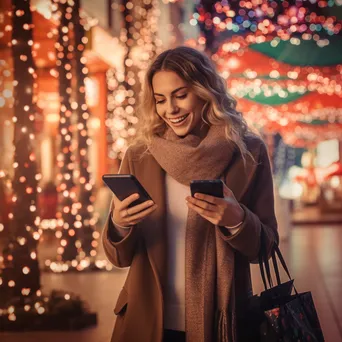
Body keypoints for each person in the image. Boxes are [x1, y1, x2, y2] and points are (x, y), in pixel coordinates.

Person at [102, 46, 278, 342]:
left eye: (180, 95)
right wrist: (120, 224)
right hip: (148, 322)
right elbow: (119, 258)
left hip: (225, 322)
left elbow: (265, 248)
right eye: (160, 100)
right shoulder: (139, 156)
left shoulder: (248, 153)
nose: (170, 109)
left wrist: (237, 219)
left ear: (204, 91)